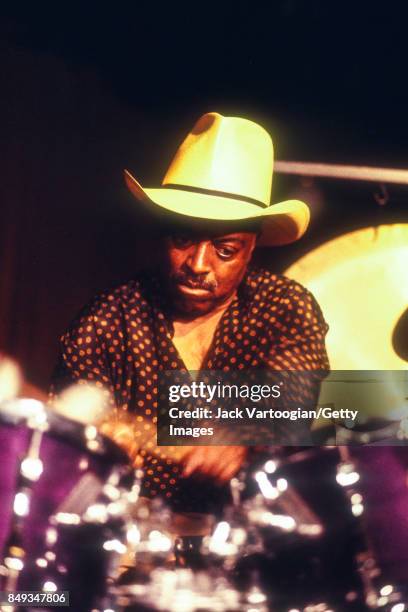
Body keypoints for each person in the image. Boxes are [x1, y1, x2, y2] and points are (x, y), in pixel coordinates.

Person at [50, 112, 329, 520]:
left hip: (254, 540)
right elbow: (66, 444)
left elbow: (294, 395)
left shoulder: (284, 306)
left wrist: (241, 432)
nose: (198, 264)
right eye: (183, 238)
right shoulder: (104, 321)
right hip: (133, 545)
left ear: (253, 248)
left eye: (225, 250)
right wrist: (101, 447)